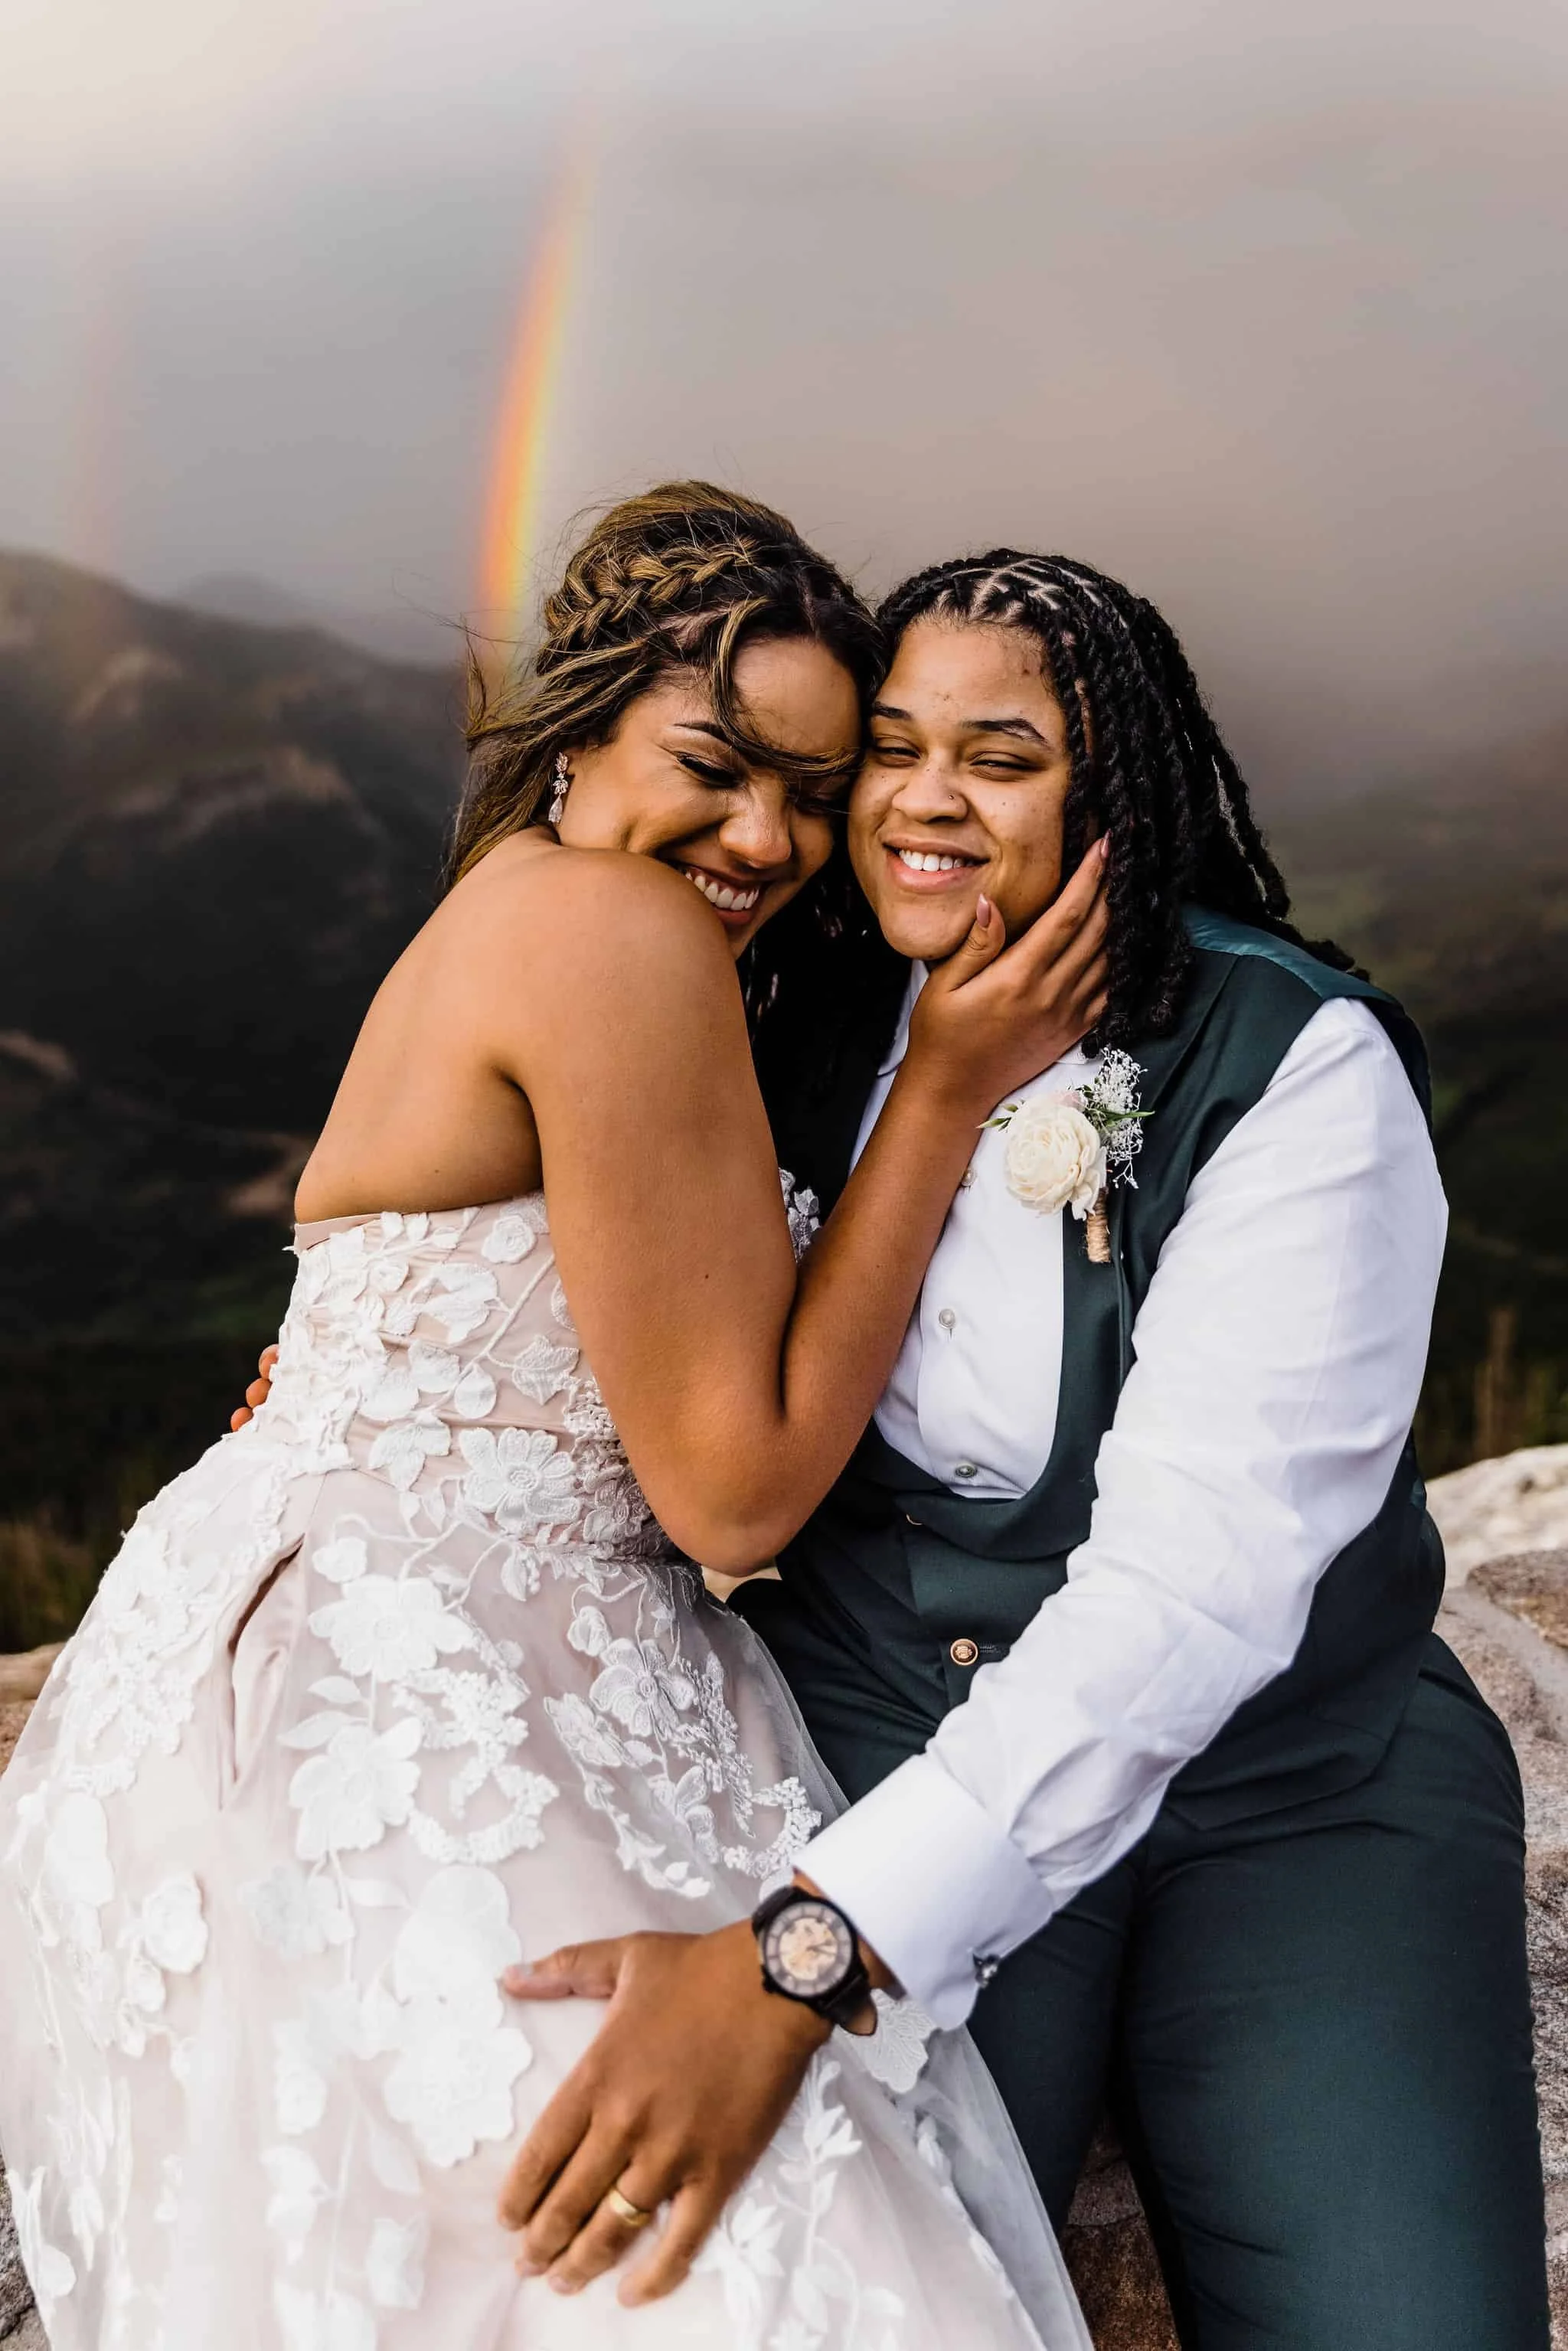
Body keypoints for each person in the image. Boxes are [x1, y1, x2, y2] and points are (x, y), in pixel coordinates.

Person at [0, 487, 1105, 2351]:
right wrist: (940, 1093)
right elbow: (734, 1496)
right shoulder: (609, 926)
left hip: (328, 1640)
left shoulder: (528, 900)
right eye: (714, 765)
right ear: (580, 726)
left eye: (810, 791)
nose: (764, 837)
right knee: (729, 2257)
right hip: (394, 1695)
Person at [493, 551, 1551, 2349]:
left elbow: (1196, 1589)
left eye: (998, 758)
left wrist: (807, 1948)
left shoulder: (1292, 1062)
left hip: (1288, 1778)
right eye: (892, 750)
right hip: (882, 1713)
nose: (923, 798)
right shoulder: (788, 999)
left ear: (1111, 787)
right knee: (799, 2288)